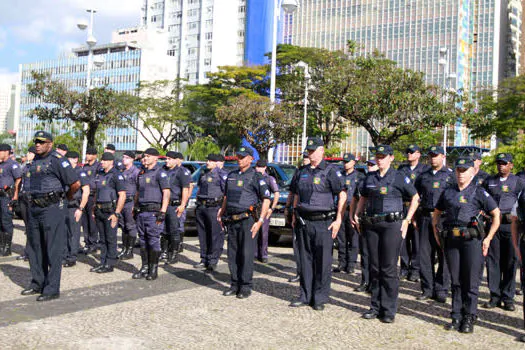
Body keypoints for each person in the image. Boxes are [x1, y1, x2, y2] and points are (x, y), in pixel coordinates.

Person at [432, 157, 500, 333]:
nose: (461, 174)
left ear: (473, 171)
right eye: (458, 170)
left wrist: (488, 238)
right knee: (455, 279)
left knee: (470, 280)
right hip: (452, 240)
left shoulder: (478, 192)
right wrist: (436, 232)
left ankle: (469, 316)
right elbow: (437, 213)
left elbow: (496, 215)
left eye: (465, 170)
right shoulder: (448, 192)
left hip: (472, 241)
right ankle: (455, 314)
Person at [354, 145, 419, 323]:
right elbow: (363, 197)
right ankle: (375, 306)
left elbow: (415, 197)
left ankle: (389, 310)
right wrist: (357, 213)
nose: (380, 159)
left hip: (392, 225)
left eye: (383, 156)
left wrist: (407, 220)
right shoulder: (369, 177)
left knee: (388, 268)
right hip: (372, 225)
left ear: (391, 158)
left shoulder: (398, 177)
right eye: (378, 156)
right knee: (374, 267)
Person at [289, 137, 346, 311]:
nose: (311, 154)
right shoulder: (302, 171)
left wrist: (338, 219)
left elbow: (341, 194)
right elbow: (296, 193)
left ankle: (320, 297)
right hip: (303, 221)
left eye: (314, 150)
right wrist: (293, 213)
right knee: (305, 260)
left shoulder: (330, 171)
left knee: (323, 261)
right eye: (309, 151)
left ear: (322, 151)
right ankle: (305, 295)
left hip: (323, 222)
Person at [21, 131, 80, 301]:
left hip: (52, 208)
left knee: (53, 248)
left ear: (50, 144)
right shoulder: (34, 161)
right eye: (36, 142)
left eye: (41, 142)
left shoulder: (58, 161)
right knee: (34, 247)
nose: (37, 144)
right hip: (34, 208)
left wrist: (64, 199)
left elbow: (75, 184)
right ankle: (37, 282)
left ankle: (52, 288)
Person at [218, 146, 270, 299]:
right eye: (238, 157)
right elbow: (226, 197)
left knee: (246, 254)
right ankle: (234, 284)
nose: (239, 159)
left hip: (248, 220)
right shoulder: (232, 175)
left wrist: (260, 220)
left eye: (242, 157)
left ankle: (245, 286)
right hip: (232, 220)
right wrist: (221, 212)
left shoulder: (256, 176)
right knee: (233, 254)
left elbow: (266, 199)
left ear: (250, 159)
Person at [482, 153, 524, 311]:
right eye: (499, 163)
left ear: (511, 165)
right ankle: (494, 296)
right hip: (493, 225)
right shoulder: (489, 181)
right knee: (493, 261)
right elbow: (481, 199)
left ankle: (508, 297)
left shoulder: (518, 182)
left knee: (510, 261)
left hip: (510, 225)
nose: (501, 166)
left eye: (505, 163)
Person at [413, 146, 453, 302]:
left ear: (443, 156)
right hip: (425, 217)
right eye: (430, 156)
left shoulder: (451, 176)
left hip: (444, 219)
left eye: (436, 155)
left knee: (444, 254)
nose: (433, 158)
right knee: (424, 254)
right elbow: (416, 196)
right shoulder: (423, 176)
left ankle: (442, 288)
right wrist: (413, 217)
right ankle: (427, 288)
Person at [132, 148, 170, 281]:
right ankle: (144, 267)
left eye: (148, 156)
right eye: (144, 156)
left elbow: (166, 193)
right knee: (143, 240)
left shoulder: (160, 173)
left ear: (156, 158)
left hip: (154, 212)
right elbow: (137, 192)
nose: (145, 158)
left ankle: (153, 269)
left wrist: (163, 211)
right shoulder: (142, 173)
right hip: (142, 211)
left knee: (153, 240)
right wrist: (135, 206)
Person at [397, 144, 430, 282]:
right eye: (408, 152)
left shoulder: (425, 169)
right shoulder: (401, 169)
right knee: (403, 238)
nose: (409, 154)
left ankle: (415, 269)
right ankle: (404, 267)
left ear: (418, 154)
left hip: (417, 207)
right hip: (403, 206)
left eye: (412, 152)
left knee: (417, 240)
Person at [90, 152, 126, 273]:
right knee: (102, 239)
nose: (102, 162)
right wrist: (94, 208)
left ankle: (110, 264)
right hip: (99, 209)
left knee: (110, 238)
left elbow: (122, 195)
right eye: (102, 160)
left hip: (110, 210)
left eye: (104, 161)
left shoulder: (116, 175)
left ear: (111, 161)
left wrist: (117, 213)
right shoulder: (99, 174)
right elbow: (96, 193)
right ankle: (103, 262)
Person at [194, 153, 226, 271]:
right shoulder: (203, 174)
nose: (207, 163)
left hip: (214, 207)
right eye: (207, 161)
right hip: (202, 207)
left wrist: (222, 210)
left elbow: (225, 193)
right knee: (203, 235)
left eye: (210, 161)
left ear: (216, 163)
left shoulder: (222, 175)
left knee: (214, 235)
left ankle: (213, 260)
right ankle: (204, 259)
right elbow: (199, 189)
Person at [284, 151, 310, 283]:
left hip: (311, 214)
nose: (305, 159)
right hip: (298, 211)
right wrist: (288, 208)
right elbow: (292, 192)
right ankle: (300, 272)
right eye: (304, 157)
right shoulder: (299, 172)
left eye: (307, 157)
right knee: (298, 245)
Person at [334, 153, 362, 274]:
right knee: (341, 238)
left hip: (353, 209)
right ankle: (342, 263)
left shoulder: (359, 176)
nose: (345, 164)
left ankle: (351, 264)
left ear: (353, 162)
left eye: (348, 161)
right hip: (341, 209)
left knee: (353, 238)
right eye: (344, 162)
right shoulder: (339, 175)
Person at [162, 151, 191, 264]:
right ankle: (164, 252)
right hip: (164, 204)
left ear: (175, 160)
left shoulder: (181, 172)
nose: (167, 161)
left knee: (174, 230)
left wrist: (183, 205)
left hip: (175, 204)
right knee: (164, 230)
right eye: (166, 158)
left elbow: (185, 189)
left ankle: (173, 254)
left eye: (169, 159)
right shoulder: (163, 170)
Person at [63, 151, 90, 267]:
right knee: (64, 232)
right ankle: (64, 255)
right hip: (64, 205)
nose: (67, 161)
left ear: (75, 159)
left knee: (74, 233)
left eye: (70, 159)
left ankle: (72, 257)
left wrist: (81, 208)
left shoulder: (80, 172)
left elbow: (86, 192)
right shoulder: (65, 172)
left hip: (75, 206)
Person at [254, 159, 279, 263]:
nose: (258, 168)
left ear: (265, 167)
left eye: (261, 167)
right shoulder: (252, 177)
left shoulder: (269, 179)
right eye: (257, 166)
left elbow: (276, 193)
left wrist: (271, 208)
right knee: (253, 232)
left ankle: (263, 254)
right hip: (253, 208)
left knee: (263, 233)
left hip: (264, 208)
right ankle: (254, 254)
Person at [0, 144, 22, 256]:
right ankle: (1, 245)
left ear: (6, 152)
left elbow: (18, 179)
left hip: (7, 196)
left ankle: (7, 247)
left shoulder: (13, 164)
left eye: (0, 151)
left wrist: (15, 195)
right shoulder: (1, 164)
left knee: (6, 221)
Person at [117, 151, 140, 260]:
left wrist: (134, 205)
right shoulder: (121, 171)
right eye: (123, 157)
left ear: (132, 159)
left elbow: (138, 189)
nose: (123, 159)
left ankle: (130, 250)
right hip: (122, 201)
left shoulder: (135, 172)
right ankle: (124, 249)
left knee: (130, 226)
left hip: (130, 201)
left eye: (126, 158)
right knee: (123, 226)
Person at [17, 146, 36, 261]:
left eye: (30, 152)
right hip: (24, 197)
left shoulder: (37, 167)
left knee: (32, 226)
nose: (28, 154)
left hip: (32, 198)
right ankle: (28, 252)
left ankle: (32, 252)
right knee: (28, 227)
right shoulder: (25, 167)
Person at [81, 147, 101, 254]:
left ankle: (94, 243)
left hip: (93, 195)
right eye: (87, 153)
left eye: (89, 153)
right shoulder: (85, 167)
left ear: (94, 155)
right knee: (85, 221)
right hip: (85, 195)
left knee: (92, 221)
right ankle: (87, 242)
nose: (87, 155)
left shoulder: (98, 167)